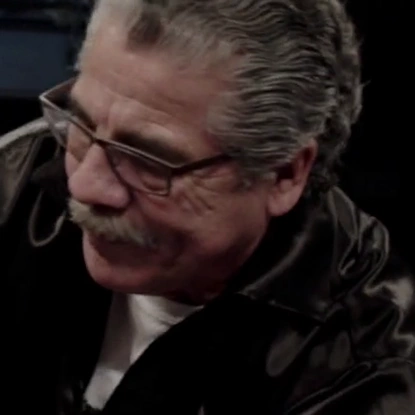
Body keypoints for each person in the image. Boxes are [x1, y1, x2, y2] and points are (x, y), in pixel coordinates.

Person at [2, 0, 415, 414]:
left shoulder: (365, 371)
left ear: (284, 174)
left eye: (147, 160)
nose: (83, 185)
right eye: (82, 125)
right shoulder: (14, 181)